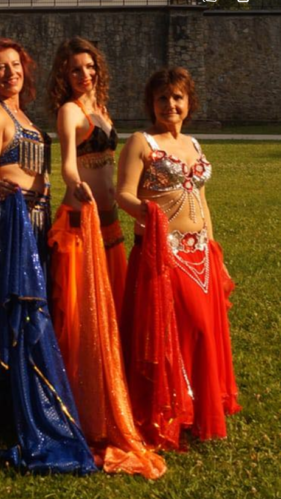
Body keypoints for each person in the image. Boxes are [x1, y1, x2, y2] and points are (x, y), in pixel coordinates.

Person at [0, 37, 96, 475]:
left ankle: (29, 398)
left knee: (38, 310)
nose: (10, 73)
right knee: (16, 313)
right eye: (0, 68)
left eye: (16, 65)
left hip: (38, 223)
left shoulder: (25, 115)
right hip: (10, 222)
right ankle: (7, 407)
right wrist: (0, 189)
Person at [45, 38, 165, 478]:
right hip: (83, 222)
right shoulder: (70, 111)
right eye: (76, 69)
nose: (85, 75)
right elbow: (68, 164)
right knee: (81, 318)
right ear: (65, 74)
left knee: (110, 312)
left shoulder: (102, 110)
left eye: (90, 67)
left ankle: (113, 387)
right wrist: (76, 187)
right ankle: (82, 403)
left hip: (112, 226)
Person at [117, 67, 240, 449]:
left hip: (200, 251)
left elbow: (201, 199)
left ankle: (195, 409)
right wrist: (149, 214)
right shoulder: (141, 142)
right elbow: (124, 194)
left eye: (177, 97)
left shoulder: (194, 144)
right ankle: (168, 409)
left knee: (200, 331)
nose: (170, 104)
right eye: (162, 98)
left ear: (188, 102)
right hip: (162, 252)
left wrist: (213, 250)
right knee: (183, 329)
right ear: (151, 103)